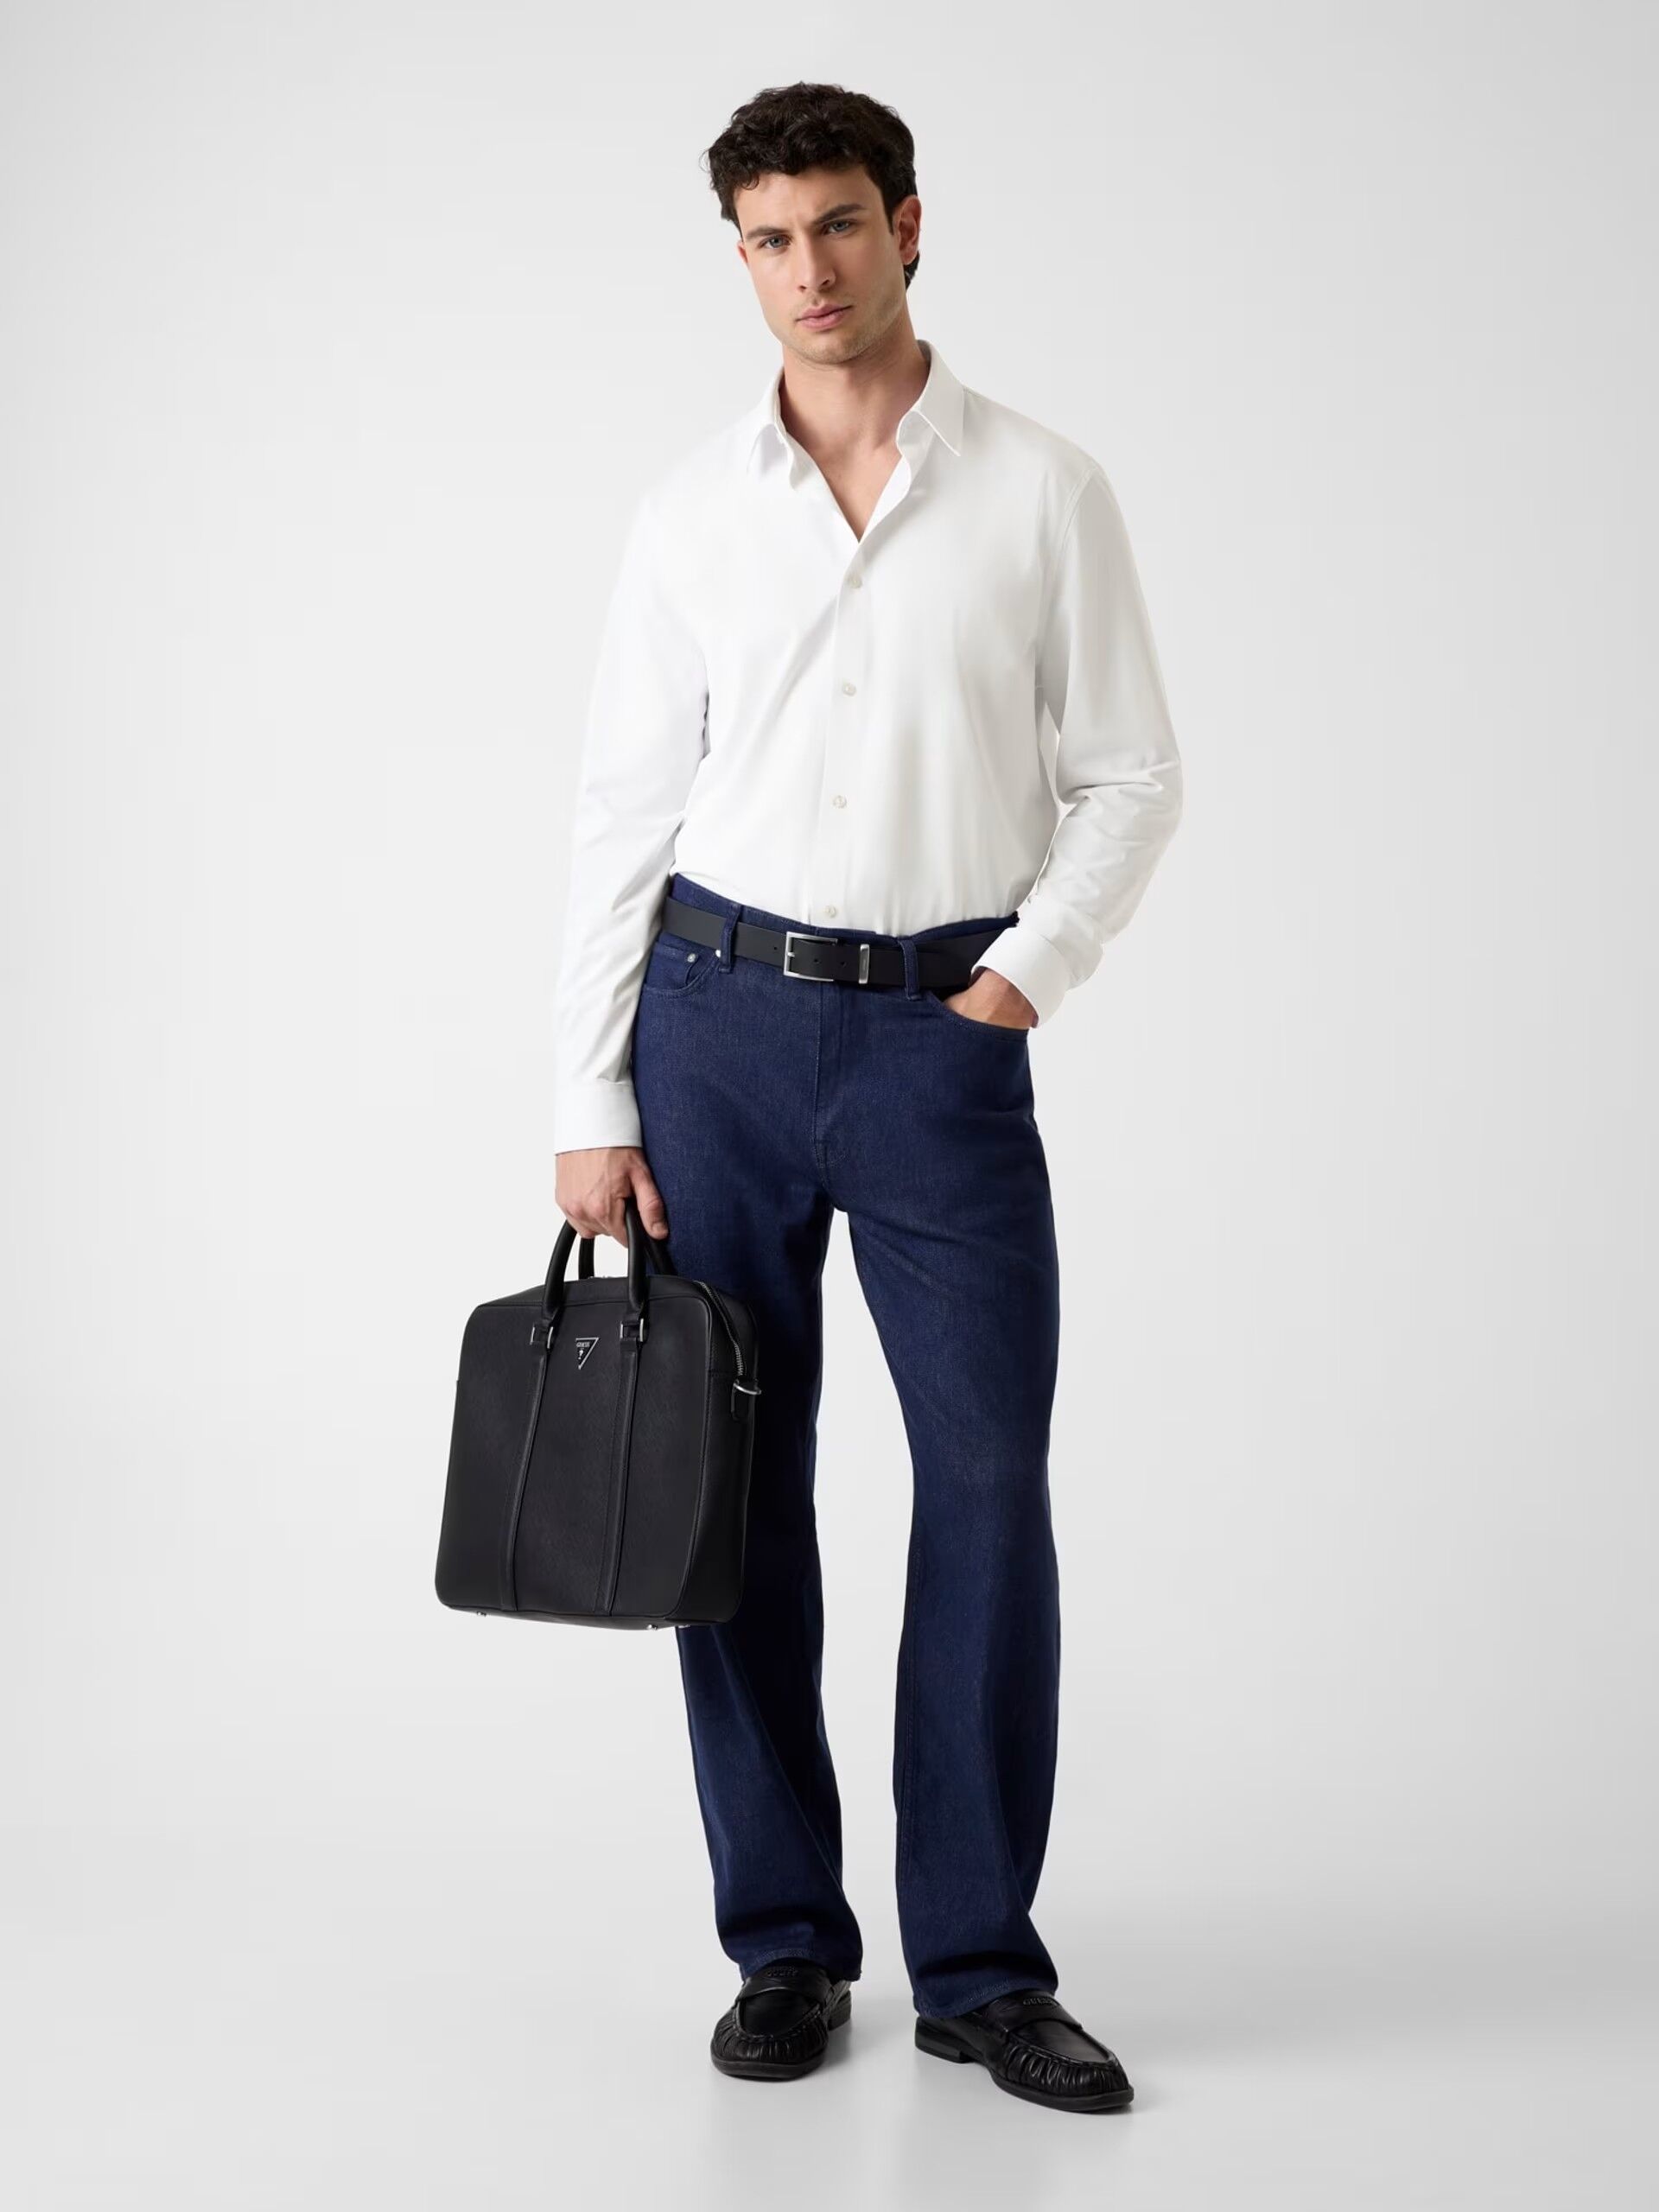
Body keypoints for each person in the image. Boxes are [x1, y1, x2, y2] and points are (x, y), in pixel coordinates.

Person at [549, 80, 1183, 2114]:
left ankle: (982, 1965)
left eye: (838, 223)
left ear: (909, 223)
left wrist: (1019, 981)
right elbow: (623, 812)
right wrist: (590, 1090)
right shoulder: (689, 510)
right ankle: (786, 1943)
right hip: (713, 1034)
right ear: (735, 255)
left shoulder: (1042, 489)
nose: (807, 270)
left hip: (939, 1041)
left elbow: (1131, 773)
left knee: (988, 1479)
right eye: (769, 237)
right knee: (728, 1494)